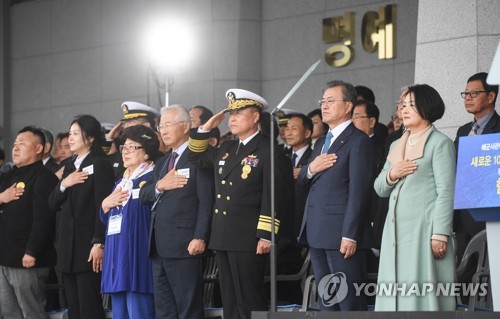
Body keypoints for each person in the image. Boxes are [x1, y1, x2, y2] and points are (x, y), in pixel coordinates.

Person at [188, 89, 285, 319]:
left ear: (255, 117)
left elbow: (275, 194)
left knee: (250, 299)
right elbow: (196, 156)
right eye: (230, 113)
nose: (232, 118)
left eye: (239, 113)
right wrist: (205, 129)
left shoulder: (268, 149)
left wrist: (266, 234)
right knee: (230, 300)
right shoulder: (227, 148)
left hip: (248, 236)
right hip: (223, 234)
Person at [374, 84, 456, 311]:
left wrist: (439, 233)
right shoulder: (395, 144)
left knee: (421, 293)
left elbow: (446, 191)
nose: (404, 110)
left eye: (412, 105)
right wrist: (393, 173)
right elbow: (380, 187)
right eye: (403, 105)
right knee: (394, 292)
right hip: (394, 232)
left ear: (427, 108)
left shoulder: (440, 143)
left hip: (424, 231)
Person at [297, 80, 374, 311]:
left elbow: (359, 192)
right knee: (327, 301)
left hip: (341, 234)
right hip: (317, 231)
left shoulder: (358, 141)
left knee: (349, 301)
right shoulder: (321, 142)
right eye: (323, 101)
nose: (324, 106)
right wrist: (311, 168)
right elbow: (302, 180)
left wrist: (350, 234)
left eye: (331, 101)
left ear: (348, 106)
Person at [140, 105, 213, 319]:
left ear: (186, 126)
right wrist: (160, 185)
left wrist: (200, 236)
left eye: (169, 125)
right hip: (158, 246)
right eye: (161, 126)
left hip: (185, 245)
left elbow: (206, 201)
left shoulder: (198, 157)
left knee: (188, 307)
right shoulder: (163, 162)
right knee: (164, 310)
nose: (163, 130)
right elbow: (144, 195)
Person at [48, 115, 115, 319]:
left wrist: (98, 242)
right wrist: (64, 183)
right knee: (73, 309)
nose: (71, 138)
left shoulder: (100, 164)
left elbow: (102, 207)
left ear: (92, 137)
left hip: (88, 246)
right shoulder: (69, 165)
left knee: (89, 305)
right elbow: (52, 203)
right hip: (67, 247)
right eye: (70, 133)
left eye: (76, 133)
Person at [100, 125, 159, 319]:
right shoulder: (121, 181)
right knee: (119, 312)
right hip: (117, 255)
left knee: (139, 311)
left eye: (132, 147)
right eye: (124, 147)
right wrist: (104, 205)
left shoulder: (152, 177)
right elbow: (108, 218)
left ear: (147, 152)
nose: (125, 151)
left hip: (137, 254)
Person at [0, 126, 58, 318]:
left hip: (27, 258)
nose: (15, 148)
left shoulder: (44, 177)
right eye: (15, 144)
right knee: (9, 313)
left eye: (22, 144)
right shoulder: (8, 176)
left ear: (39, 148)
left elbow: (44, 218)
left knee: (31, 312)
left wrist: (32, 250)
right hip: (4, 256)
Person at [106, 101, 161, 179]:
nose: (126, 126)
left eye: (131, 121)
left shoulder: (158, 154)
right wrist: (109, 139)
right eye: (125, 123)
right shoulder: (124, 150)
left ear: (146, 125)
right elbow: (101, 161)